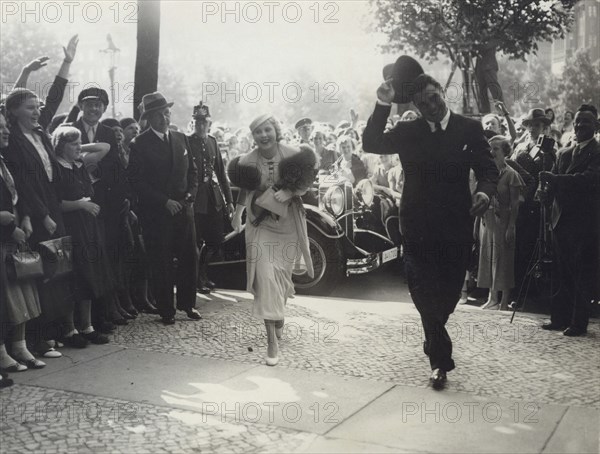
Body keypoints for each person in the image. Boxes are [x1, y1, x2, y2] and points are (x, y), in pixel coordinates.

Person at [362, 71, 498, 389]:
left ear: (442, 92)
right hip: (417, 226)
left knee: (448, 295)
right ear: (417, 107)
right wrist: (382, 103)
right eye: (423, 105)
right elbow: (371, 143)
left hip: (456, 226)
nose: (431, 108)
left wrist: (484, 192)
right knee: (423, 292)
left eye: (434, 99)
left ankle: (433, 341)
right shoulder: (408, 130)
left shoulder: (469, 128)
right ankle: (439, 361)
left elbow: (489, 169)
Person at [3, 35, 79, 356]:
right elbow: (25, 183)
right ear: (14, 113)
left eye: (38, 107)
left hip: (53, 208)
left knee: (58, 269)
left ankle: (56, 331)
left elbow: (56, 98)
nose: (37, 112)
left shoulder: (39, 131)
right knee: (37, 274)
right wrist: (23, 73)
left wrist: (66, 63)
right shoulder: (14, 141)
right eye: (30, 108)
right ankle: (38, 339)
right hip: (34, 214)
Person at [230, 115, 315, 366]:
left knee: (282, 276)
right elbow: (245, 190)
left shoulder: (293, 154)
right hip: (260, 224)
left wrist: (289, 191)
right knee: (265, 276)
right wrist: (237, 214)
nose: (263, 135)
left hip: (288, 224)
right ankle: (271, 342)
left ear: (275, 130)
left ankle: (279, 311)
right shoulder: (246, 161)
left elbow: (307, 181)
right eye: (258, 132)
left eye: (267, 130)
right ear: (253, 136)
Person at [128, 92, 200, 325]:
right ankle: (166, 310)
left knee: (189, 258)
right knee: (162, 261)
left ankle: (188, 305)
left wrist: (189, 196)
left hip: (184, 210)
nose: (164, 118)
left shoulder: (181, 138)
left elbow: (193, 173)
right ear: (149, 118)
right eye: (158, 115)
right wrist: (163, 202)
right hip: (158, 214)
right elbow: (137, 182)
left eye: (166, 113)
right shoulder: (139, 144)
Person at [73, 88, 137, 325]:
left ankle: (108, 309)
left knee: (108, 256)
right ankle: (90, 319)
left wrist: (117, 201)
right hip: (78, 204)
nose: (94, 109)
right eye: (89, 104)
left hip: (106, 204)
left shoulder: (108, 132)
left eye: (99, 105)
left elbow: (116, 168)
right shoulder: (70, 129)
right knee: (86, 259)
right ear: (81, 105)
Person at [539, 104, 600, 337]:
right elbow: (552, 183)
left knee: (581, 274)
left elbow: (589, 179)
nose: (579, 126)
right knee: (560, 272)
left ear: (596, 126)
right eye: (576, 122)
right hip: (560, 221)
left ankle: (578, 322)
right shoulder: (564, 153)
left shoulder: (597, 152)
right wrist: (545, 193)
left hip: (585, 224)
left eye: (585, 122)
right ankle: (559, 318)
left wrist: (555, 180)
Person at [53, 126, 113, 346]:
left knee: (89, 275)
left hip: (88, 227)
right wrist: (79, 205)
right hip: (70, 227)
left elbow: (104, 147)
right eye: (73, 144)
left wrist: (78, 143)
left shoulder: (80, 165)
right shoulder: (56, 168)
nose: (79, 147)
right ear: (60, 146)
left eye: (80, 143)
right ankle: (70, 330)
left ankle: (87, 326)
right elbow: (55, 203)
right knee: (72, 278)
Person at [0, 106, 45, 373]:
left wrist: (25, 217)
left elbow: (16, 194)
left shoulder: (4, 161)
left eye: (6, 126)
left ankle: (20, 345)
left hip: (15, 235)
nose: (6, 131)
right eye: (1, 128)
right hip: (3, 236)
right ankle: (3, 350)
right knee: (4, 297)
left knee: (22, 290)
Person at [187, 103, 233, 294]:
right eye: (197, 121)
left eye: (204, 121)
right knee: (195, 242)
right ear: (193, 123)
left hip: (213, 199)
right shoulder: (187, 142)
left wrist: (229, 200)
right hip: (196, 201)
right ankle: (197, 279)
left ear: (209, 123)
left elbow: (221, 174)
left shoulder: (213, 142)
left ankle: (204, 273)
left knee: (216, 241)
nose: (200, 125)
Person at [478, 136, 524, 310]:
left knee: (504, 260)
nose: (492, 152)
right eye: (490, 148)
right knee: (489, 257)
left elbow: (515, 204)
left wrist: (511, 226)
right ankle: (492, 298)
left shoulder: (511, 174)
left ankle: (504, 300)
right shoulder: (488, 172)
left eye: (496, 149)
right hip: (487, 220)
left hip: (503, 221)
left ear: (505, 152)